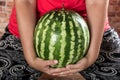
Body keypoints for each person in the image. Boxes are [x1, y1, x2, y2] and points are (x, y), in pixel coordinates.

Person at [0, 0, 120, 80]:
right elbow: (26, 1)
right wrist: (31, 57)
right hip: (26, 31)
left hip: (90, 29)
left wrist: (91, 57)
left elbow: (95, 2)